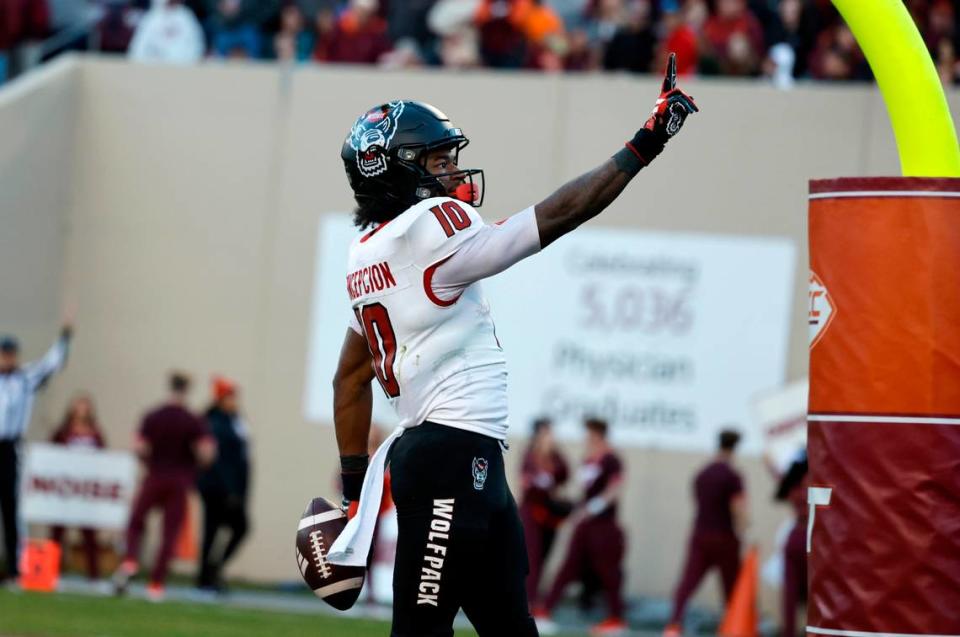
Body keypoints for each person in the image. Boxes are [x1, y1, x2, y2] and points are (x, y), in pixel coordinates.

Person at [326, 54, 697, 637]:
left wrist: (353, 492)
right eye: (437, 160)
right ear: (392, 170)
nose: (452, 174)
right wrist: (645, 143)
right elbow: (557, 216)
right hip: (448, 454)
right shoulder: (430, 226)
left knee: (511, 628)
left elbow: (349, 379)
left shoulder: (365, 254)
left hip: (467, 457)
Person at [114, 372, 215, 601]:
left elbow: (140, 447)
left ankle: (130, 560)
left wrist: (149, 462)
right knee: (169, 533)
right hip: (179, 481)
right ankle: (156, 584)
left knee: (136, 522)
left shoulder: (153, 416)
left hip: (155, 476)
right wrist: (198, 465)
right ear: (187, 390)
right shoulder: (193, 420)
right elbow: (206, 452)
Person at [535, 418, 627, 636]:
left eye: (590, 434)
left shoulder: (611, 459)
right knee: (569, 566)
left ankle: (617, 619)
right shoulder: (588, 460)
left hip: (603, 524)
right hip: (585, 524)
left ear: (599, 435)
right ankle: (545, 610)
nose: (587, 439)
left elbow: (615, 488)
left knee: (608, 572)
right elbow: (584, 489)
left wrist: (596, 506)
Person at [0, 322, 72, 583]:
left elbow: (51, 364)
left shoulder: (24, 379)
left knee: (11, 507)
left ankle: (14, 568)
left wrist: (64, 338)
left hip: (9, 447)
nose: (7, 358)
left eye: (10, 353)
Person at [663, 428, 747, 635]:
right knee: (731, 587)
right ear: (734, 449)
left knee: (687, 583)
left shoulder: (702, 473)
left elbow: (697, 502)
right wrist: (744, 530)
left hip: (700, 534)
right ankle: (733, 627)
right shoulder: (732, 476)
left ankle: (674, 624)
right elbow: (738, 509)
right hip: (724, 537)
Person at [195, 376, 250, 592]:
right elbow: (220, 462)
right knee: (214, 530)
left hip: (232, 489)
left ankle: (211, 571)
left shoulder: (234, 419)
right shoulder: (215, 422)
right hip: (218, 489)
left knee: (232, 529)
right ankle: (206, 576)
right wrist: (231, 490)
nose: (234, 400)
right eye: (229, 396)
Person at [50, 394, 107, 581]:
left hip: (85, 490)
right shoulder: (63, 432)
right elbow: (51, 453)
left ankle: (93, 574)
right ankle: (51, 569)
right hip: (65, 487)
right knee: (57, 531)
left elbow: (103, 455)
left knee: (89, 533)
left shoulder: (95, 432)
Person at [519, 418, 571, 606]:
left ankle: (533, 600)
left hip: (549, 516)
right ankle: (528, 601)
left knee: (543, 557)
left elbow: (565, 475)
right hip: (532, 513)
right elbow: (527, 483)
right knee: (531, 556)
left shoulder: (555, 456)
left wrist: (551, 457)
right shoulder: (530, 455)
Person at [775, 453, 808, 637]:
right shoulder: (816, 480)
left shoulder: (793, 483)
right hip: (811, 540)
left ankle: (788, 632)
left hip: (793, 537)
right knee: (816, 593)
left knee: (790, 595)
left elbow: (780, 484)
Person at [127, 0, 206, 65]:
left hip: (181, 68)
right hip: (153, 68)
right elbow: (139, 47)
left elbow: (196, 43)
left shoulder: (186, 16)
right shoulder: (151, 18)